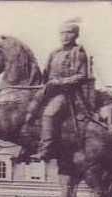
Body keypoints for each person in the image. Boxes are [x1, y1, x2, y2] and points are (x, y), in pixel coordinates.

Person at [27, 20, 90, 161]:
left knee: (49, 114)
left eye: (69, 33)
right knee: (27, 110)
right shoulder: (55, 53)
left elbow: (82, 76)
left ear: (76, 35)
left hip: (67, 93)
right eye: (62, 33)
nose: (65, 36)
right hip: (48, 91)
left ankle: (45, 151)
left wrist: (60, 82)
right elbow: (46, 73)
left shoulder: (78, 53)